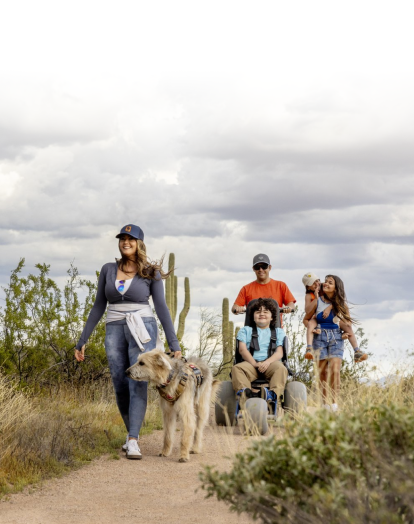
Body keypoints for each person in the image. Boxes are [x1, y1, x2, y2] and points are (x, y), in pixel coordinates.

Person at [74, 224, 181, 460]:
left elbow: (161, 307)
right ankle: (130, 435)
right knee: (120, 383)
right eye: (122, 238)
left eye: (130, 239)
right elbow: (98, 306)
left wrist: (173, 343)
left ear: (139, 243)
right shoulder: (108, 269)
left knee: (138, 382)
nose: (125, 242)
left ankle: (133, 439)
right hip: (113, 329)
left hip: (142, 328)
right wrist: (82, 339)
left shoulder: (150, 272)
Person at [231, 298, 288, 417]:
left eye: (266, 311)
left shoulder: (278, 332)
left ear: (272, 317)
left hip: (271, 364)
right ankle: (245, 395)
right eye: (258, 312)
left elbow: (279, 353)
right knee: (237, 368)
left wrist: (267, 362)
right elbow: (242, 349)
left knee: (281, 368)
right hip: (251, 364)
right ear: (253, 316)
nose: (261, 314)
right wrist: (254, 363)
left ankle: (272, 397)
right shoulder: (245, 330)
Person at [309, 275, 355, 411]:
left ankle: (334, 404)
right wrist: (313, 327)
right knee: (322, 372)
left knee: (335, 370)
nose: (326, 284)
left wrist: (346, 332)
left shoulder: (341, 305)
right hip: (319, 337)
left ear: (336, 288)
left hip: (336, 338)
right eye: (326, 281)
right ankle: (325, 404)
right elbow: (306, 319)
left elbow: (348, 323)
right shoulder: (317, 302)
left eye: (330, 282)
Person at [302, 272, 367, 363]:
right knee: (310, 323)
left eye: (318, 281)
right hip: (317, 319)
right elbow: (307, 313)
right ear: (308, 286)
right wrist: (313, 329)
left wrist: (329, 308)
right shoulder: (311, 295)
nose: (317, 284)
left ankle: (357, 351)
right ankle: (309, 348)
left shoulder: (323, 288)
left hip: (333, 323)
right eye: (313, 283)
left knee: (347, 325)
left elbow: (336, 300)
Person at [232, 254, 296, 323]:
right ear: (253, 268)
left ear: (269, 267)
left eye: (264, 266)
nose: (261, 269)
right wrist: (238, 308)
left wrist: (288, 308)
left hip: (275, 329)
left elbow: (291, 304)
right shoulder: (246, 289)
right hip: (252, 329)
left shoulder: (281, 286)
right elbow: (234, 308)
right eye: (257, 267)